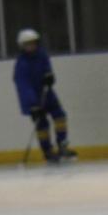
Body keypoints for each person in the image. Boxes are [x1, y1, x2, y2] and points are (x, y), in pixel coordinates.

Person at [12, 27, 74, 165]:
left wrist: (49, 75)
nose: (31, 46)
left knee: (60, 115)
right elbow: (24, 86)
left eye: (33, 43)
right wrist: (32, 104)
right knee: (42, 125)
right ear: (22, 46)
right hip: (33, 99)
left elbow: (47, 68)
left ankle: (62, 143)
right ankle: (47, 150)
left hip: (47, 93)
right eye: (28, 44)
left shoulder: (42, 54)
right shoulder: (21, 65)